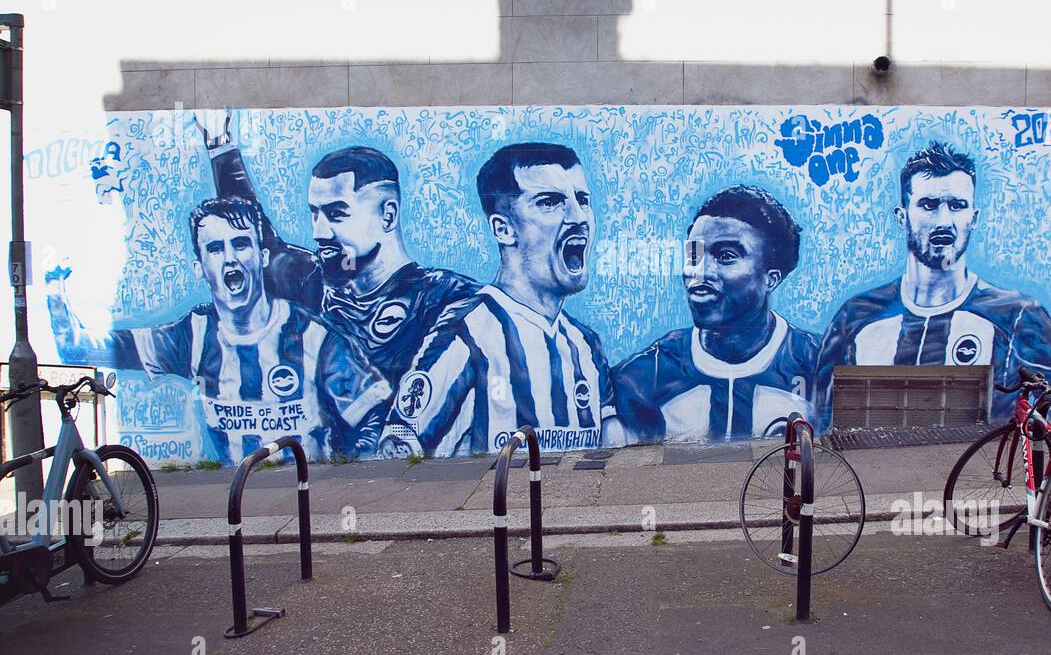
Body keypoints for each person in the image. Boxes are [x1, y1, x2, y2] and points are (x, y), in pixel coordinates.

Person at [46, 196, 392, 464]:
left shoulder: (312, 337)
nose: (230, 258)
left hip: (305, 492)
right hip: (242, 494)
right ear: (199, 266)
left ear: (262, 255)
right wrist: (53, 290)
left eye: (241, 244)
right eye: (215, 248)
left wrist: (350, 466)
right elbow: (77, 347)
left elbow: (373, 413)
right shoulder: (191, 337)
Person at [197, 110, 478, 390]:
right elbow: (265, 245)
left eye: (336, 214)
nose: (319, 232)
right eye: (315, 214)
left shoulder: (447, 299)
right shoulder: (313, 286)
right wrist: (221, 146)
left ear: (388, 216)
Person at [378, 143, 622, 457]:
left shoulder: (586, 346)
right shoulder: (465, 333)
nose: (578, 217)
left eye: (582, 200)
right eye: (550, 202)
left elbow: (612, 450)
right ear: (503, 229)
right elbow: (401, 448)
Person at [815, 141, 1051, 423]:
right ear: (902, 216)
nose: (944, 221)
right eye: (929, 205)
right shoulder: (857, 316)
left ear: (973, 217)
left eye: (957, 205)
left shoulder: (1017, 316)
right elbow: (821, 414)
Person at [614, 186, 818, 442]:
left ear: (771, 279)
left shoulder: (816, 363)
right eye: (694, 255)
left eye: (725, 256)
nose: (700, 272)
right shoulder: (644, 376)